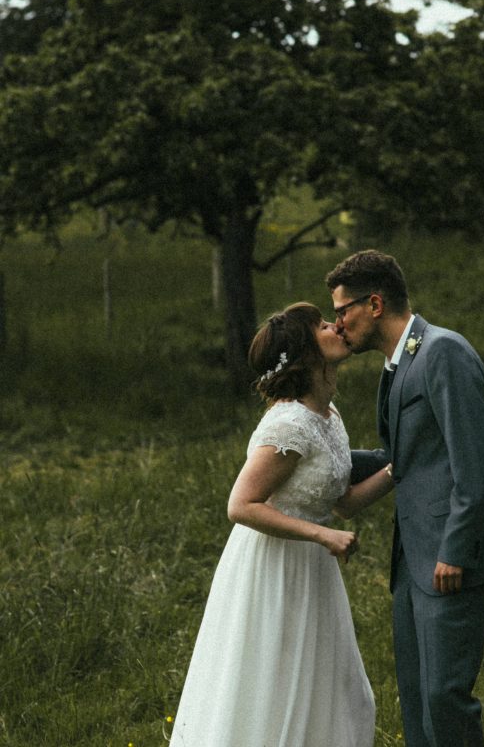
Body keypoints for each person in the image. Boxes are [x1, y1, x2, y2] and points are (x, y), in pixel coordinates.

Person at [169, 302, 394, 747]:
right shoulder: (290, 423)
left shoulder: (328, 416)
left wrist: (398, 470)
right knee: (274, 688)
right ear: (304, 351)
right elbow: (241, 505)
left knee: (337, 691)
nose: (337, 326)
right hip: (273, 567)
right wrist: (322, 534)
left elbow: (343, 504)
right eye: (323, 325)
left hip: (312, 569)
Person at [326, 250, 484, 747]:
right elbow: (404, 456)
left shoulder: (444, 352)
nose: (337, 323)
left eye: (342, 310)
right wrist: (314, 455)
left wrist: (454, 550)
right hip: (412, 561)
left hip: (449, 558)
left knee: (445, 697)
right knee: (417, 698)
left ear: (374, 304)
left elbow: (475, 465)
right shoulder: (399, 363)